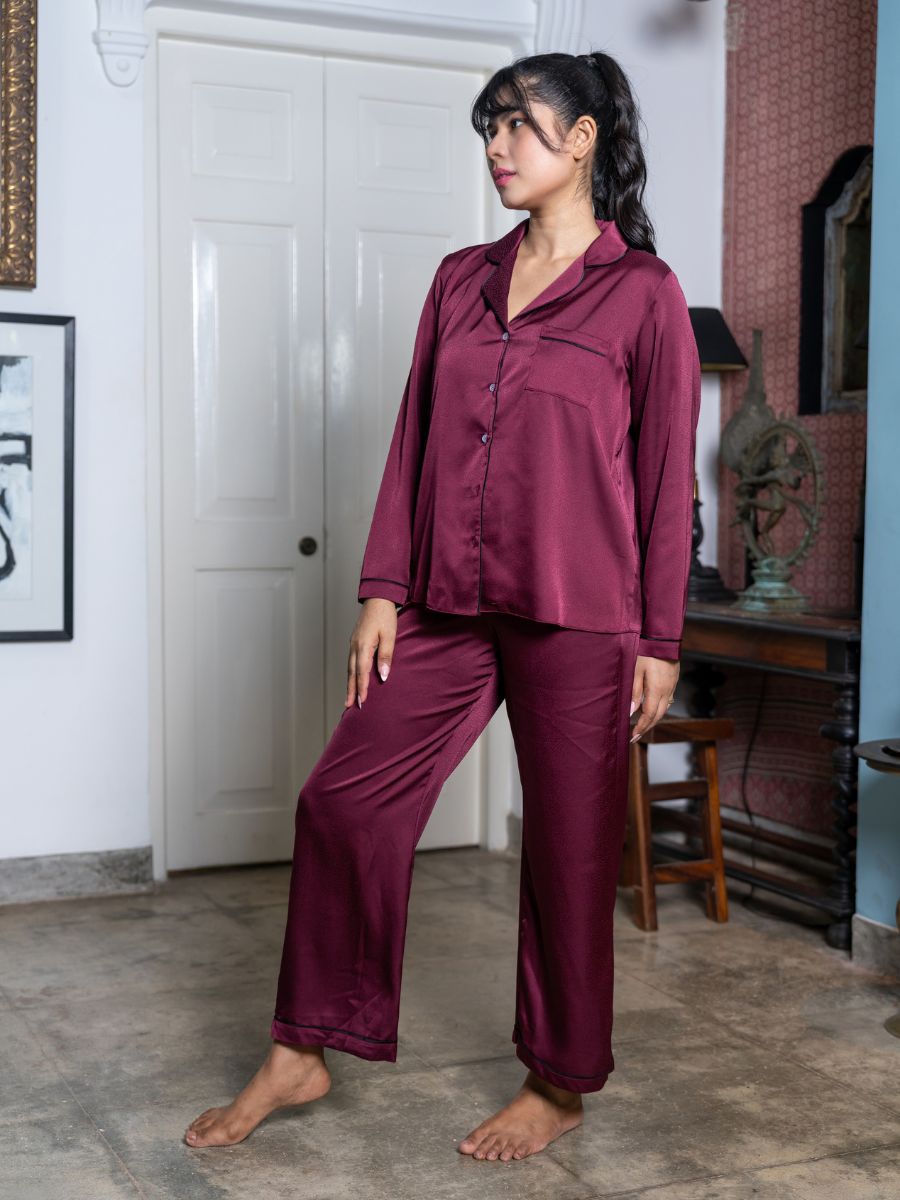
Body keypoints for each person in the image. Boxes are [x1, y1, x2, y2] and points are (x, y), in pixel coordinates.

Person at [185, 48, 701, 1161]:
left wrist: (660, 637)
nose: (495, 147)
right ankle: (305, 1045)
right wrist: (382, 588)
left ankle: (559, 1085)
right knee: (341, 801)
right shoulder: (459, 279)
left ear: (582, 141)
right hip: (445, 602)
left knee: (566, 853)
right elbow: (415, 435)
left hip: (582, 614)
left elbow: (668, 481)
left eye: (518, 126)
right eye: (489, 127)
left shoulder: (643, 295)